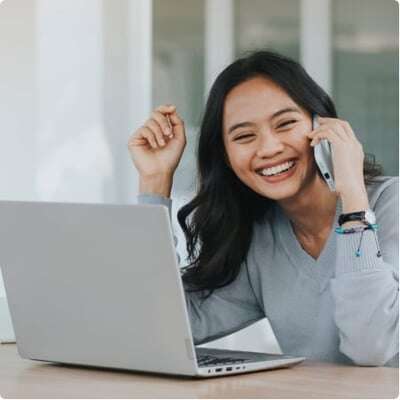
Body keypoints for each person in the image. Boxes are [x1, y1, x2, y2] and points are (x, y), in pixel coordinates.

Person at [128, 50, 399, 367]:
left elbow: (373, 347)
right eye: (244, 136)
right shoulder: (261, 239)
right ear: (226, 156)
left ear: (324, 127)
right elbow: (158, 327)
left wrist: (353, 198)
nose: (269, 148)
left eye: (285, 124)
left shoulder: (392, 204)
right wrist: (155, 181)